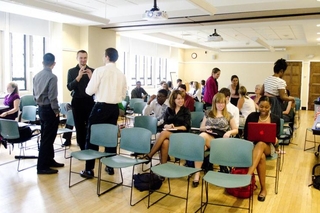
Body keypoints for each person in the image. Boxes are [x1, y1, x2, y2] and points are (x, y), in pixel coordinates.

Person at [80, 48, 127, 178]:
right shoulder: (121, 74)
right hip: (114, 109)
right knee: (110, 137)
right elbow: (123, 95)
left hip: (100, 107)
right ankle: (110, 166)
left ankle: (89, 169)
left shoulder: (99, 71)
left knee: (92, 137)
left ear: (106, 57)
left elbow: (89, 91)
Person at [193, 93, 238, 187]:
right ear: (214, 103)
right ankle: (197, 174)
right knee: (200, 145)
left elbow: (236, 129)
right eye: (218, 103)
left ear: (225, 104)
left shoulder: (228, 115)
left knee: (201, 139)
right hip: (208, 134)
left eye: (222, 103)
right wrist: (206, 127)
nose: (220, 105)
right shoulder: (208, 113)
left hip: (221, 139)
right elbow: (201, 128)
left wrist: (229, 132)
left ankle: (197, 173)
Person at [244, 96, 280, 202]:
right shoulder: (252, 116)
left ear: (270, 107)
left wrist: (275, 139)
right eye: (261, 107)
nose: (263, 109)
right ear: (258, 105)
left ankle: (248, 175)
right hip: (252, 147)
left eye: (266, 107)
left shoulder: (275, 119)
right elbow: (246, 135)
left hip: (269, 147)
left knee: (261, 144)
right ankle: (263, 189)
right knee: (261, 157)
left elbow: (276, 138)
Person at [140, 90, 191, 164]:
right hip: (170, 134)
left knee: (163, 133)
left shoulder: (186, 111)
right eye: (178, 99)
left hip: (182, 135)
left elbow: (186, 126)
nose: (181, 100)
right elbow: (165, 123)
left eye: (182, 98)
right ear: (173, 100)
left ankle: (149, 155)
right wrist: (168, 126)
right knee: (165, 142)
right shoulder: (169, 110)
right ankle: (163, 168)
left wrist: (175, 128)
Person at [33, 53, 63, 175]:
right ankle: (42, 166)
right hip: (50, 110)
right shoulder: (52, 77)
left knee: (46, 136)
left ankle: (49, 160)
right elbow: (52, 97)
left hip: (41, 108)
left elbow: (34, 94)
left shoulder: (36, 76)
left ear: (42, 62)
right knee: (48, 139)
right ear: (54, 64)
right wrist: (56, 111)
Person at [66, 50, 95, 149]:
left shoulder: (92, 70)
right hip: (77, 101)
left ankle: (90, 146)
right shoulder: (71, 71)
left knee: (90, 124)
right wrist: (78, 77)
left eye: (85, 58)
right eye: (81, 58)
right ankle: (82, 146)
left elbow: (96, 87)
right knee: (79, 125)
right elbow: (69, 87)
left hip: (89, 101)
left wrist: (91, 77)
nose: (83, 60)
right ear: (77, 58)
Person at [0, 82, 21, 149]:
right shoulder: (6, 96)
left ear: (13, 88)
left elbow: (15, 108)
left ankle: (2, 139)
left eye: (8, 87)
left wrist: (6, 113)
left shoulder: (15, 96)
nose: (7, 88)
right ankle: (2, 138)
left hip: (10, 114)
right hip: (5, 112)